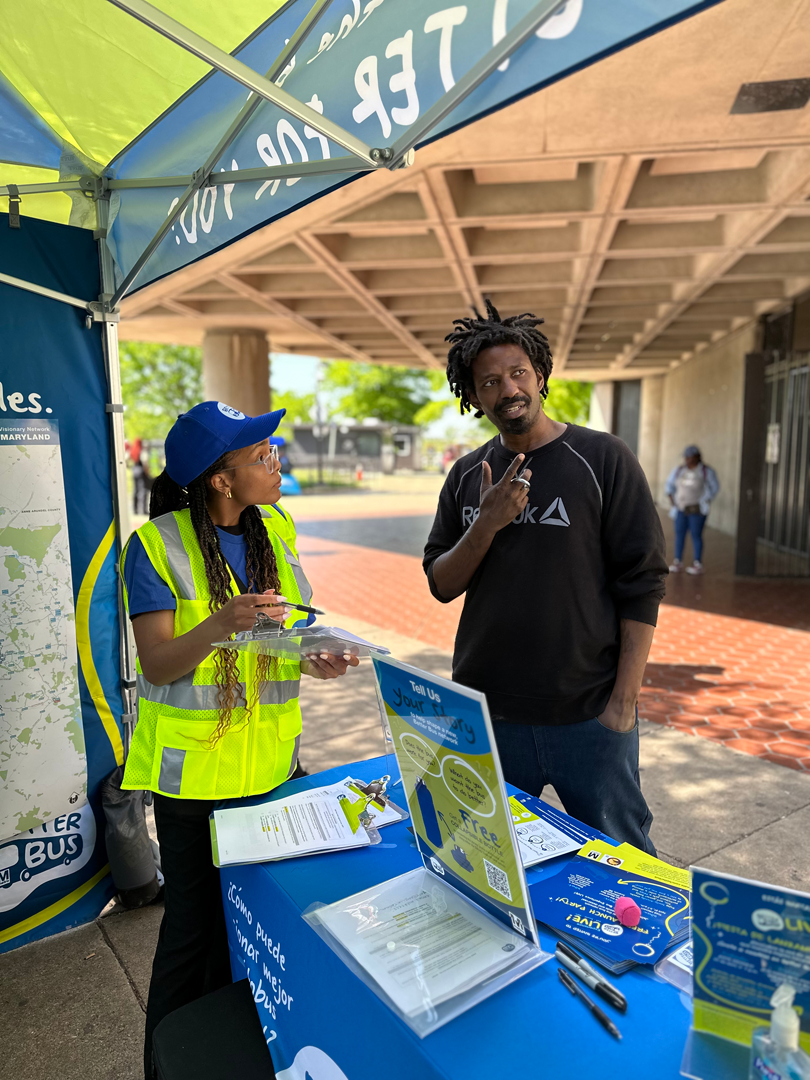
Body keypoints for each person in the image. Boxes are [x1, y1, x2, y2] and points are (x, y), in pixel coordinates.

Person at [120, 401, 359, 1079]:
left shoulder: (275, 525)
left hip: (274, 770)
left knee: (261, 926)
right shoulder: (156, 544)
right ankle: (166, 1066)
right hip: (195, 783)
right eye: (259, 455)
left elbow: (282, 637)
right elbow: (160, 663)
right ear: (220, 480)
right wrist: (219, 625)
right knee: (192, 934)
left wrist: (317, 656)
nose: (275, 458)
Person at [423, 301, 667, 853]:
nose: (508, 389)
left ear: (540, 375)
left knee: (622, 861)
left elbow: (644, 581)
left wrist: (622, 704)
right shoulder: (466, 475)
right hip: (490, 715)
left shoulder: (603, 458)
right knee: (482, 859)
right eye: (489, 382)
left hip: (588, 713)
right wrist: (486, 523)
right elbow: (441, 582)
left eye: (518, 374)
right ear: (473, 395)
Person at [665, 445, 719, 576]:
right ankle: (678, 561)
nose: (687, 459)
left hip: (697, 509)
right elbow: (669, 484)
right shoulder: (679, 470)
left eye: (689, 457)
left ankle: (697, 563)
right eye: (686, 457)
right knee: (679, 534)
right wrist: (671, 498)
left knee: (696, 535)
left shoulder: (705, 471)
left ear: (696, 457)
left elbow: (715, 487)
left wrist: (705, 499)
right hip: (681, 508)